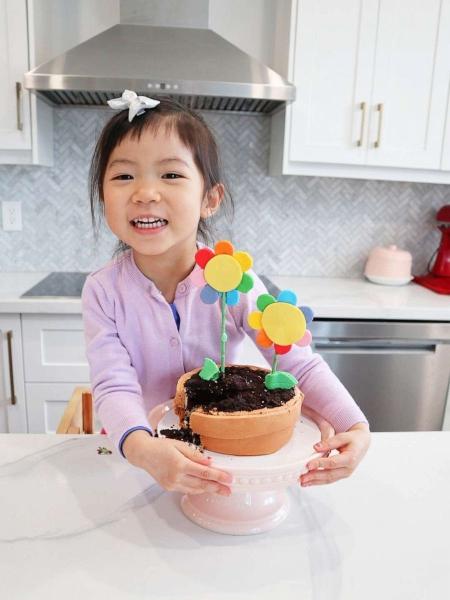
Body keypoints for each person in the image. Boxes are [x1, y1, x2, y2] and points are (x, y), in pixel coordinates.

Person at [82, 90, 370, 497]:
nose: (145, 192)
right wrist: (144, 449)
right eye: (124, 176)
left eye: (171, 174)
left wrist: (355, 425)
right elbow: (113, 386)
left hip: (221, 461)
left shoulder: (234, 279)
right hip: (139, 462)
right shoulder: (102, 291)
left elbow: (297, 364)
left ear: (210, 199)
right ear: (103, 195)